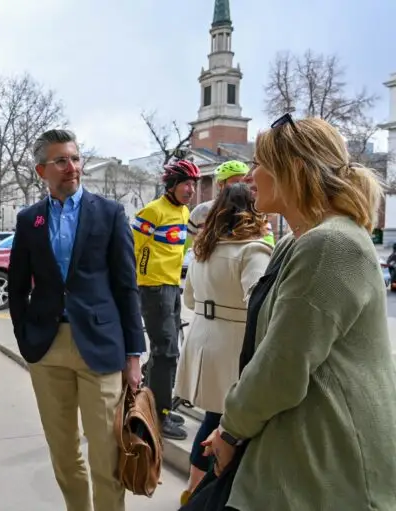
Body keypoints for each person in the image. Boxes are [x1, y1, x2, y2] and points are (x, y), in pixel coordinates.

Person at [203, 115, 396, 510]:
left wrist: (230, 429)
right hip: (302, 443)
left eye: (259, 163)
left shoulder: (330, 245)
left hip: (327, 458)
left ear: (292, 170)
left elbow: (282, 365)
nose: (250, 175)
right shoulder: (301, 241)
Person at [8, 129, 144, 511]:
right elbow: (16, 287)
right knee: (65, 457)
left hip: (100, 349)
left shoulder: (110, 213)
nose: (72, 167)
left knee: (107, 458)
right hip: (48, 350)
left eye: (76, 158)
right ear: (41, 170)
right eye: (61, 161)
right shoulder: (29, 220)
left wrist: (134, 354)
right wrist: (25, 338)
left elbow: (126, 286)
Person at [173, 183, 272, 505]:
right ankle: (207, 497)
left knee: (214, 418)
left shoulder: (203, 248)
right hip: (233, 343)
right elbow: (260, 305)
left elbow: (188, 298)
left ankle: (194, 488)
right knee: (228, 425)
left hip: (202, 338)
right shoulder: (253, 250)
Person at [132, 158, 199, 441]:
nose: (191, 189)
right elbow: (132, 248)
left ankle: (150, 403)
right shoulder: (152, 211)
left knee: (167, 350)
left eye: (194, 184)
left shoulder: (184, 212)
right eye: (186, 184)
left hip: (172, 286)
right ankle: (159, 414)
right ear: (171, 185)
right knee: (167, 350)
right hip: (154, 287)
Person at [185, 160, 274, 250]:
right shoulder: (201, 211)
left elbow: (268, 245)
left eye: (245, 182)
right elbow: (187, 246)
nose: (242, 186)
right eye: (236, 182)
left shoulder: (256, 210)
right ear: (221, 184)